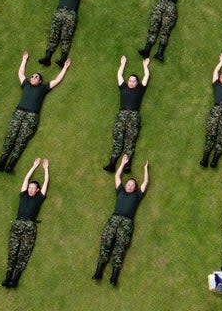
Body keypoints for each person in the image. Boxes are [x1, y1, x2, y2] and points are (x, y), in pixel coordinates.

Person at [0, 52, 70, 173]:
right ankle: (2, 162)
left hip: (31, 116)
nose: (33, 78)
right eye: (32, 76)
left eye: (36, 77)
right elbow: (20, 73)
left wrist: (65, 68)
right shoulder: (26, 85)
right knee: (10, 136)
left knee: (21, 140)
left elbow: (57, 80)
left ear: (40, 81)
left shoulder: (43, 88)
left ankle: (11, 165)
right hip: (19, 113)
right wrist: (24, 59)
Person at [93, 157, 150, 286]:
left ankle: (114, 277)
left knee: (120, 247)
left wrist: (145, 169)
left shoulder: (137, 195)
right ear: (126, 186)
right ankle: (98, 271)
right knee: (106, 241)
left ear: (135, 188)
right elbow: (117, 176)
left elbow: (145, 182)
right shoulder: (120, 191)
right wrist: (123, 164)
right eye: (128, 184)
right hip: (114, 219)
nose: (130, 186)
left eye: (132, 185)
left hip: (127, 223)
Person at [2, 158, 49, 289]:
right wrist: (33, 167)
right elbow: (25, 180)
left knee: (24, 253)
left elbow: (45, 183)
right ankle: (7, 278)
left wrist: (45, 169)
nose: (30, 189)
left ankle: (15, 280)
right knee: (12, 251)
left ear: (37, 190)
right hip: (17, 224)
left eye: (33, 188)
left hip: (29, 226)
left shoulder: (39, 197)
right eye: (30, 187)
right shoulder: (23, 195)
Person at [38, 0, 87, 66]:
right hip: (59, 12)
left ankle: (63, 59)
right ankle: (47, 57)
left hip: (70, 14)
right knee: (53, 33)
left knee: (66, 36)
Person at [104, 56, 151, 172]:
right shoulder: (123, 87)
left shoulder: (140, 89)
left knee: (130, 140)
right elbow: (119, 75)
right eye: (130, 80)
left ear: (137, 82)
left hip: (134, 116)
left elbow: (146, 76)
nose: (131, 82)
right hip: (122, 114)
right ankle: (112, 164)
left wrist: (145, 66)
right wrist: (123, 63)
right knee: (117, 138)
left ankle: (127, 165)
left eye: (134, 81)